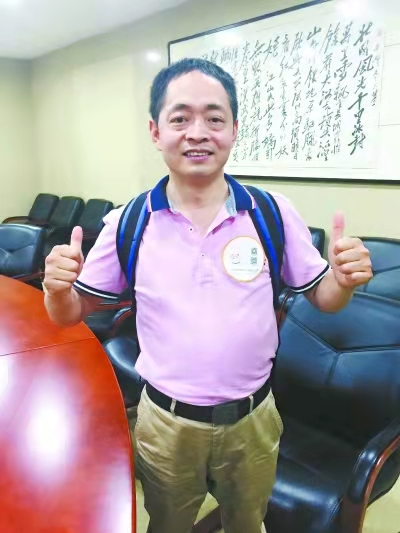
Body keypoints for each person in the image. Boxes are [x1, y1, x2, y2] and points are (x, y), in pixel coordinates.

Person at [43, 58, 373, 533]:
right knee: (168, 524)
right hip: (166, 423)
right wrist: (57, 289)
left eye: (214, 118)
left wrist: (342, 280)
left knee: (247, 523)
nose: (198, 132)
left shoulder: (270, 212)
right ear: (156, 131)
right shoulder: (129, 222)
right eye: (180, 118)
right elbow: (69, 313)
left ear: (234, 130)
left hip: (254, 420)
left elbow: (324, 299)